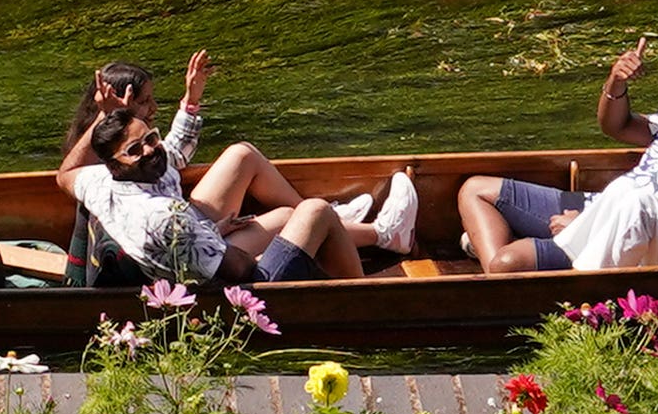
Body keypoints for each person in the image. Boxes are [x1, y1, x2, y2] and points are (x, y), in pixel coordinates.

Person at [57, 52, 416, 267]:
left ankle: (333, 218)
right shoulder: (113, 164)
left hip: (187, 218)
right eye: (145, 101)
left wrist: (191, 100)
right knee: (289, 219)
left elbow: (174, 157)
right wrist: (213, 233)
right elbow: (180, 244)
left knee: (242, 154)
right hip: (188, 238)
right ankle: (381, 235)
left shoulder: (140, 152)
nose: (153, 108)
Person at [455, 40, 658, 276]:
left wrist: (588, 224)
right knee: (476, 189)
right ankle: (502, 263)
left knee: (504, 263)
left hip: (627, 229)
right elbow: (615, 126)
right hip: (599, 203)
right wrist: (616, 81)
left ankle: (496, 269)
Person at [58, 102, 367, 288]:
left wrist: (104, 114)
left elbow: (65, 174)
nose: (150, 149)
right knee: (315, 211)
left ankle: (366, 236)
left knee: (287, 217)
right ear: (115, 165)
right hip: (241, 290)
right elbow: (241, 270)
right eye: (135, 150)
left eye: (151, 138)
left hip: (191, 254)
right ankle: (360, 291)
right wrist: (258, 248)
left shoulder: (101, 183)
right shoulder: (168, 220)